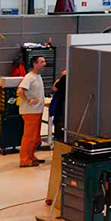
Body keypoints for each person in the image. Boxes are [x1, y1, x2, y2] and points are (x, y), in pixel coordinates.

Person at [17, 55, 46, 167]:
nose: (44, 64)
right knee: (29, 137)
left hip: (37, 111)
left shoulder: (37, 76)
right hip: (30, 111)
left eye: (44, 61)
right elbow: (20, 91)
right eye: (41, 62)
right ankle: (24, 160)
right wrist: (28, 100)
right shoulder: (29, 77)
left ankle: (31, 156)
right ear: (35, 64)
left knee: (35, 137)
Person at [45, 70, 68, 213]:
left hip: (63, 118)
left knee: (61, 145)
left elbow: (56, 86)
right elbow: (55, 87)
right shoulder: (66, 80)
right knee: (60, 145)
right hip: (61, 118)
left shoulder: (66, 79)